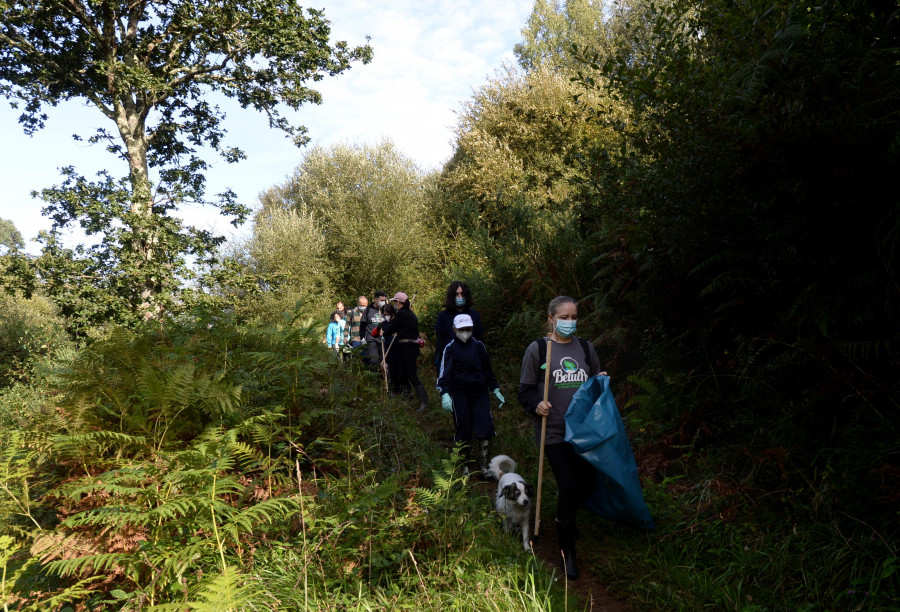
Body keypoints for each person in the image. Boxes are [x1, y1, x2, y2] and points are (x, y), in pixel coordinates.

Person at [518, 296, 606, 581]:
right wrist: (536, 404)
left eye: (574, 316)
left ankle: (566, 520)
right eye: (565, 317)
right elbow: (526, 391)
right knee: (568, 484)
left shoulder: (585, 348)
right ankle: (567, 547)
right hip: (553, 432)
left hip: (583, 432)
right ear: (551, 319)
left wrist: (601, 380)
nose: (570, 322)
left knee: (586, 483)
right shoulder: (539, 350)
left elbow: (594, 382)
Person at [437, 313, 505, 477]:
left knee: (485, 427)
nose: (465, 332)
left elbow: (487, 369)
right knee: (464, 428)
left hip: (480, 393)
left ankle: (484, 466)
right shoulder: (450, 348)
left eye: (468, 329)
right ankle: (464, 465)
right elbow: (444, 373)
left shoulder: (479, 346)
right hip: (459, 394)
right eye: (462, 329)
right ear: (454, 329)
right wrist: (444, 393)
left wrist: (495, 389)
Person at [380, 292, 429, 411]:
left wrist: (384, 333)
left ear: (399, 302)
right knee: (402, 374)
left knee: (411, 375)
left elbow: (393, 327)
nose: (395, 304)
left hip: (408, 348)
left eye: (395, 302)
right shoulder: (409, 314)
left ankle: (424, 402)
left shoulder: (402, 314)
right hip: (407, 347)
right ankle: (408, 396)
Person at [433, 281, 484, 369]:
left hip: (472, 360)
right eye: (456, 294)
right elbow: (440, 343)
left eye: (462, 294)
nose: (460, 297)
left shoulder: (474, 315)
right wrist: (440, 363)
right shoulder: (443, 316)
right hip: (451, 362)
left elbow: (479, 339)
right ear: (452, 296)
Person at [360, 291, 388, 369]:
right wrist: (362, 338)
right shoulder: (368, 310)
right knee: (373, 360)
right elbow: (362, 325)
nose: (383, 302)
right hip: (372, 339)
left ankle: (384, 378)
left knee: (384, 360)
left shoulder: (386, 309)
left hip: (383, 339)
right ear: (376, 299)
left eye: (384, 300)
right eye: (382, 300)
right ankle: (374, 378)